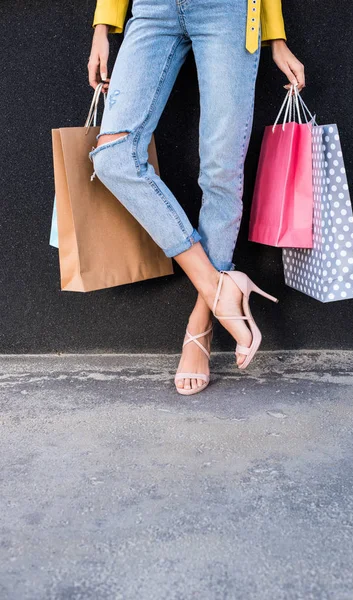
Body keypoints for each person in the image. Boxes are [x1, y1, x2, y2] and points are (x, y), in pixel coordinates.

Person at [87, 0, 305, 395]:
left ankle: (201, 325)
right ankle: (218, 286)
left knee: (221, 171)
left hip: (228, 11)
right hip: (152, 9)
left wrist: (276, 38)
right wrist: (103, 26)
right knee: (113, 156)